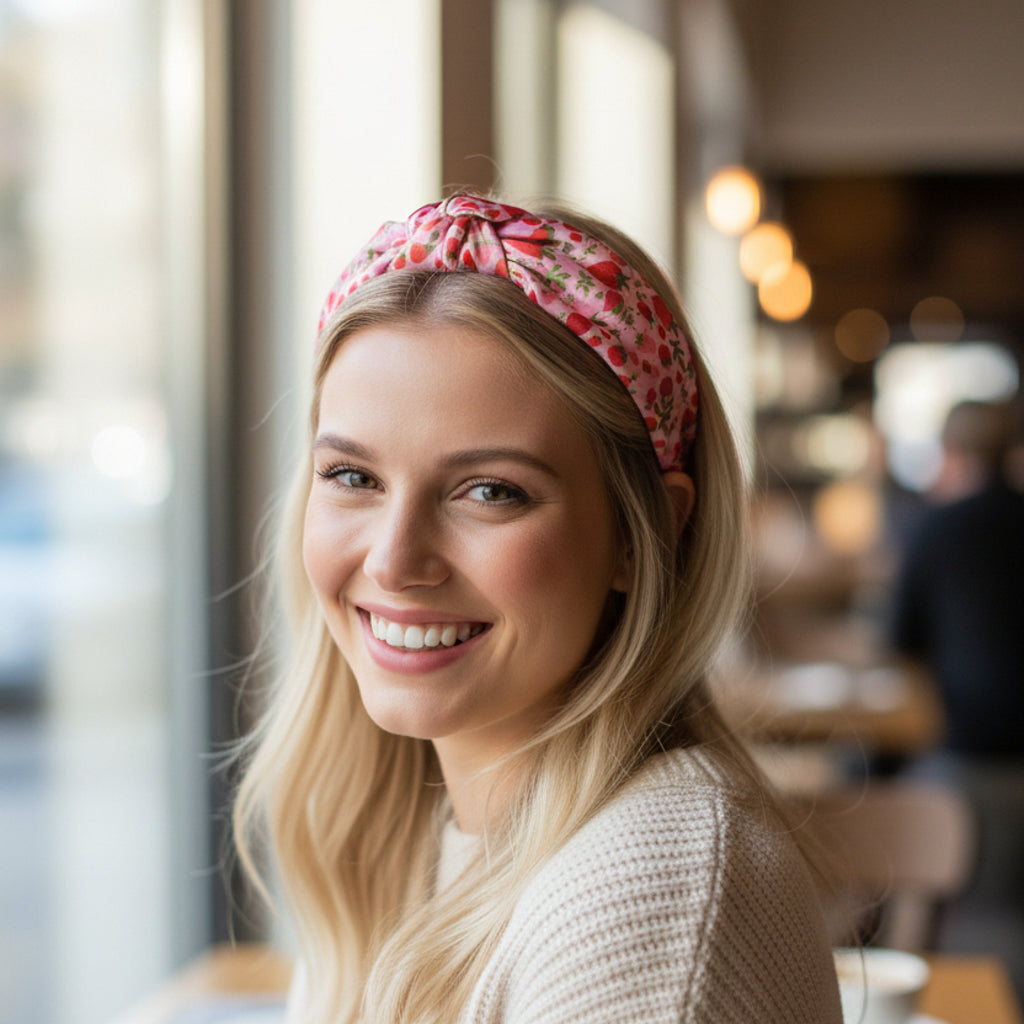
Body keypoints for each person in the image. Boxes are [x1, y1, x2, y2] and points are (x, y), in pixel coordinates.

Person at [233, 194, 842, 1024]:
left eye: (491, 491)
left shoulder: (647, 900)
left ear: (646, 532)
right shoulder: (394, 842)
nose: (394, 559)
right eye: (353, 477)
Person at [889, 398, 1024, 997]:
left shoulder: (934, 529)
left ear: (950, 454)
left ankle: (907, 968)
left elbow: (898, 646)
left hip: (966, 760)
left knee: (887, 797)